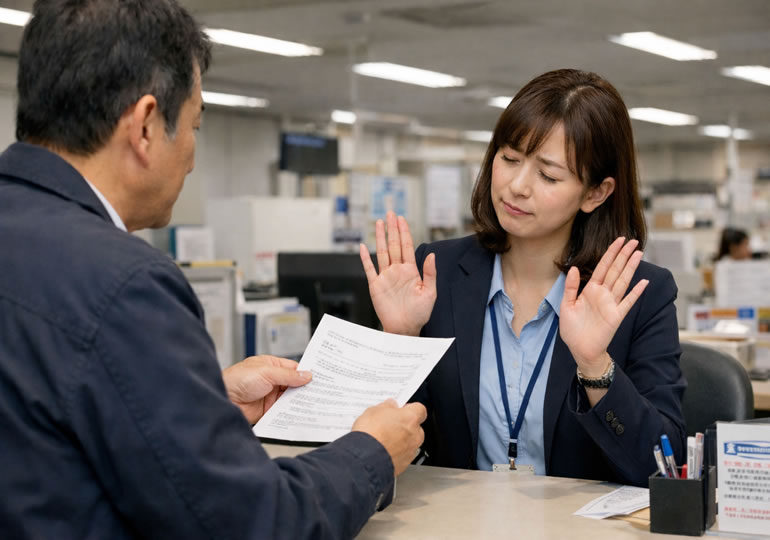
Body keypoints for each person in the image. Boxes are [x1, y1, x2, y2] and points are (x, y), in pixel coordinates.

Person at [0, 1, 426, 538]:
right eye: (196, 125)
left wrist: (202, 397)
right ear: (147, 126)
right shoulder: (125, 285)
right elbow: (250, 523)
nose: (193, 157)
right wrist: (372, 454)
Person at [360, 69, 686, 487]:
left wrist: (594, 365)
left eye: (548, 175)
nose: (516, 186)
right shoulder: (434, 271)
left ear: (595, 193)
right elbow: (389, 444)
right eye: (509, 159)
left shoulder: (640, 293)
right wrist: (400, 340)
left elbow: (666, 467)